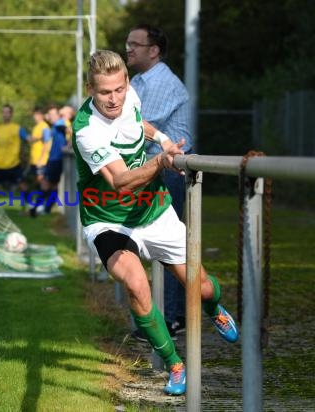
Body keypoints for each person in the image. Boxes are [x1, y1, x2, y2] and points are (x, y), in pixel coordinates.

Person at [72, 50, 238, 396]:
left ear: (127, 84)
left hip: (153, 211)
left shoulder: (128, 98)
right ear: (90, 89)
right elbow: (120, 180)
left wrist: (162, 139)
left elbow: (138, 125)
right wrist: (161, 162)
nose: (114, 99)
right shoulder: (86, 129)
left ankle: (213, 307)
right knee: (136, 282)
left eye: (119, 89)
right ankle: (174, 364)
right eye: (105, 93)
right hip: (109, 219)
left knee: (201, 286)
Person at [126, 24, 193, 338]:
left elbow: (136, 124)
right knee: (147, 242)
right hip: (154, 168)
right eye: (128, 44)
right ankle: (162, 316)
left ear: (154, 50)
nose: (129, 49)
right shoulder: (139, 80)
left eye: (135, 44)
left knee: (169, 248)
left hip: (172, 172)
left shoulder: (163, 80)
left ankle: (173, 319)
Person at [29, 105, 68, 217]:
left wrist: (70, 143)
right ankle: (46, 209)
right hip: (54, 159)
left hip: (56, 159)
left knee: (46, 183)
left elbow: (68, 130)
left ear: (57, 115)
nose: (49, 117)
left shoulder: (59, 123)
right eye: (49, 115)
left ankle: (36, 208)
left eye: (52, 114)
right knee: (53, 185)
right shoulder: (55, 125)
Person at [0, 104, 29, 193]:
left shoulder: (17, 128)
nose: (5, 114)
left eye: (7, 112)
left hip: (13, 164)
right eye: (3, 112)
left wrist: (40, 138)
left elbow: (28, 138)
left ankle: (32, 204)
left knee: (22, 184)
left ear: (11, 114)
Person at [27, 106, 51, 188]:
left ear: (41, 115)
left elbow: (47, 143)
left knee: (42, 179)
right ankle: (43, 198)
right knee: (38, 180)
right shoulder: (36, 127)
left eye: (36, 115)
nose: (35, 117)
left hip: (41, 159)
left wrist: (41, 159)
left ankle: (48, 199)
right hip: (34, 159)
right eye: (34, 115)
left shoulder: (44, 127)